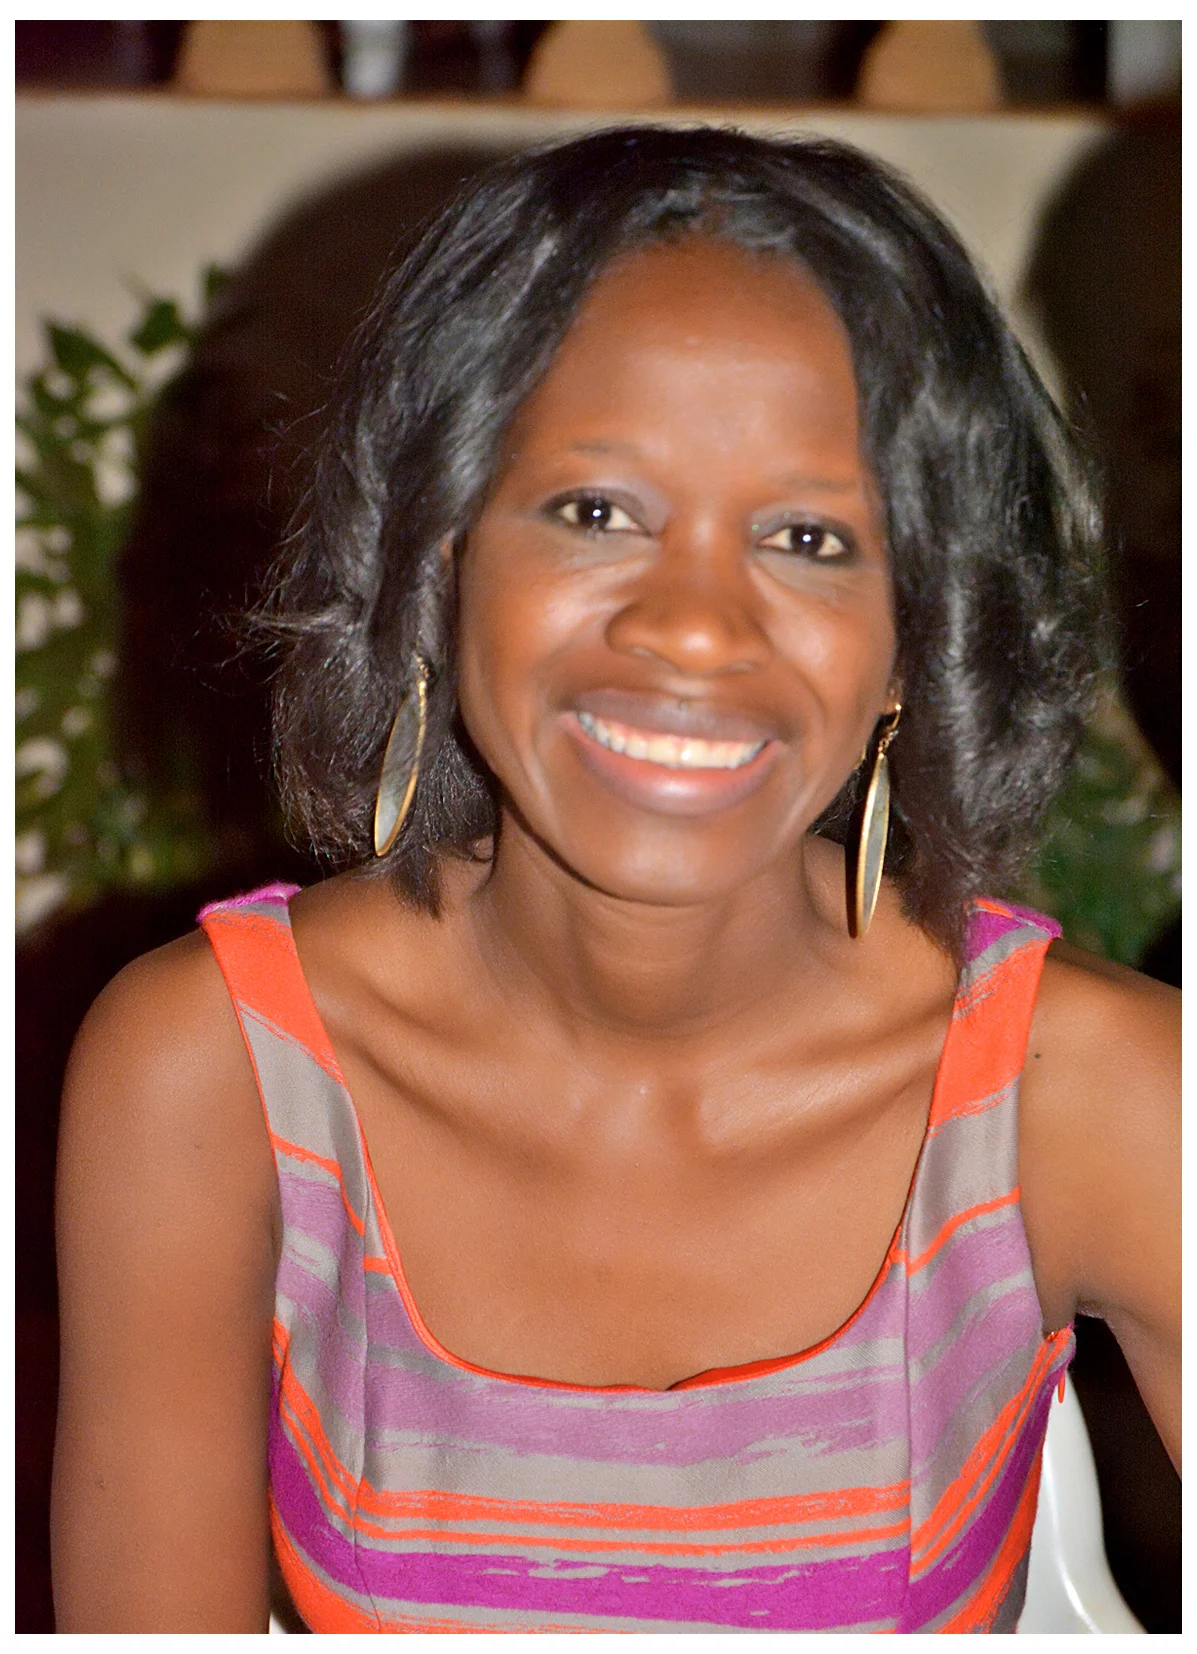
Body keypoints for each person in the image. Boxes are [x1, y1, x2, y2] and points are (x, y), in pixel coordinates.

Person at [52, 126, 1179, 1634]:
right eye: (596, 513)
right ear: (441, 558)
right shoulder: (212, 1080)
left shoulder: (1092, 1103)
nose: (694, 626)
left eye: (808, 538)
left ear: (917, 634)